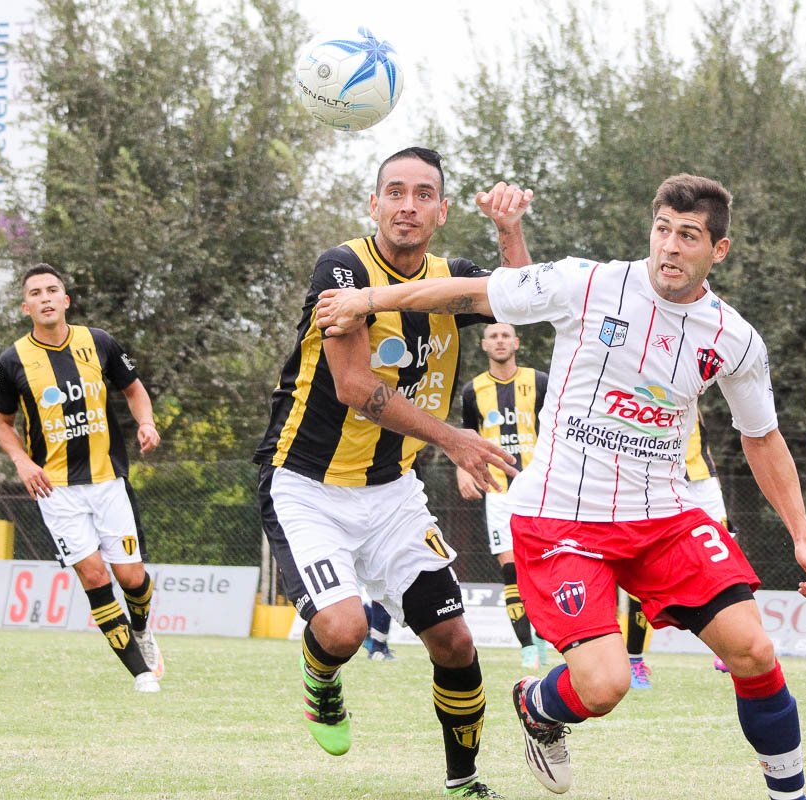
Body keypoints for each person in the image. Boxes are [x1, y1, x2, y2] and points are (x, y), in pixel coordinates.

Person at [317, 173, 806, 799]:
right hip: (562, 519)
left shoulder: (735, 339)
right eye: (662, 230)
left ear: (717, 250)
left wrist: (802, 536)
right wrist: (369, 300)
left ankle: (791, 795)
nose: (670, 247)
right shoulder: (587, 283)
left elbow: (762, 437)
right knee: (605, 685)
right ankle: (538, 704)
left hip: (665, 517)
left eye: (689, 236)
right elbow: (470, 292)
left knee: (753, 650)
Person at [253, 147, 531, 799]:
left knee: (455, 639)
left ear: (442, 210)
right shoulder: (342, 268)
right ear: (374, 204)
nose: (408, 205)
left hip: (392, 495)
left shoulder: (452, 277)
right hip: (305, 486)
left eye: (423, 194)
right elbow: (354, 386)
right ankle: (322, 679)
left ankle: (464, 781)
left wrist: (509, 230)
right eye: (396, 192)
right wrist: (454, 439)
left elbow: (526, 301)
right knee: (344, 629)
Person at [0, 263, 164, 692]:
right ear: (26, 307)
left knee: (132, 578)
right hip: (56, 490)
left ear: (66, 300)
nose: (45, 298)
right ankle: (141, 673)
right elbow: (2, 424)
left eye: (52, 290)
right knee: (94, 576)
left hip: (108, 482)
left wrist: (146, 423)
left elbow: (134, 389)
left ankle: (142, 630)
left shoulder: (98, 341)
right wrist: (22, 462)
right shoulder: (11, 361)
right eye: (36, 293)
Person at [457, 322, 550, 672]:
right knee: (511, 570)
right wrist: (463, 469)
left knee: (541, 569)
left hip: (539, 490)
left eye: (505, 336)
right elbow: (466, 436)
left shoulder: (540, 382)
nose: (499, 341)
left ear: (516, 342)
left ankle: (543, 634)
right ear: (484, 345)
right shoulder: (472, 391)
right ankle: (527, 648)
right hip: (498, 492)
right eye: (493, 336)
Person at [626, 411, 736, 685]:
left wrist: (716, 483)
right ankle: (634, 659)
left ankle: (730, 647)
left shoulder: (693, 389)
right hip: (658, 481)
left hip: (702, 480)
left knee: (724, 560)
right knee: (643, 569)